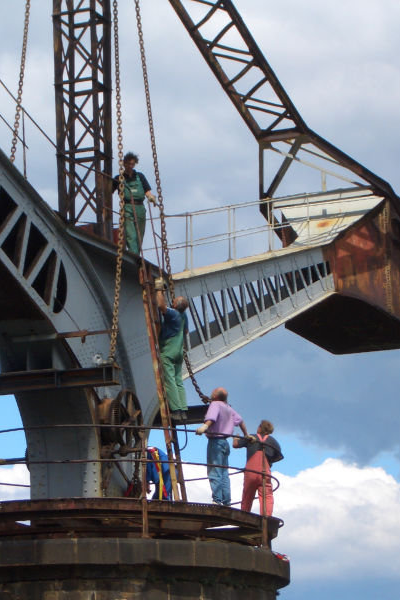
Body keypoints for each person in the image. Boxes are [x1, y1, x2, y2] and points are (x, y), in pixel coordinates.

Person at [195, 387, 248, 506]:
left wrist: (204, 427)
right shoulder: (228, 407)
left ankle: (217, 500)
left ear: (215, 396)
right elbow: (240, 421)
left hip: (215, 442)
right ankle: (226, 501)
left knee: (214, 470)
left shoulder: (215, 404)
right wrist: (246, 435)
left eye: (213, 391)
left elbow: (212, 418)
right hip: (225, 443)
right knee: (224, 472)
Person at [155, 279, 188, 422]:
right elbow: (185, 332)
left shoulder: (173, 314)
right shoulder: (184, 316)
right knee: (178, 380)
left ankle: (175, 410)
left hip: (168, 351)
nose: (172, 301)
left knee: (170, 381)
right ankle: (183, 410)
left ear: (175, 305)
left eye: (174, 301)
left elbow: (161, 305)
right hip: (179, 352)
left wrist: (159, 290)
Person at [233, 420, 283, 516]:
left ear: (260, 427)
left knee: (247, 494)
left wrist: (236, 438)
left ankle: (244, 515)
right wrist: (270, 461)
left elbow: (235, 445)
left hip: (251, 472)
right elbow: (278, 456)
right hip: (265, 473)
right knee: (267, 495)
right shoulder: (273, 441)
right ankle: (267, 517)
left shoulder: (252, 437)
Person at [112, 152, 156, 254]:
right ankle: (134, 256)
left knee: (139, 236)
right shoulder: (119, 178)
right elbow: (108, 191)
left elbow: (147, 191)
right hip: (127, 208)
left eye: (132, 164)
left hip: (140, 208)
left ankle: (137, 254)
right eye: (128, 164)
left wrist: (151, 197)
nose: (130, 166)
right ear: (124, 164)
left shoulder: (140, 176)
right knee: (131, 235)